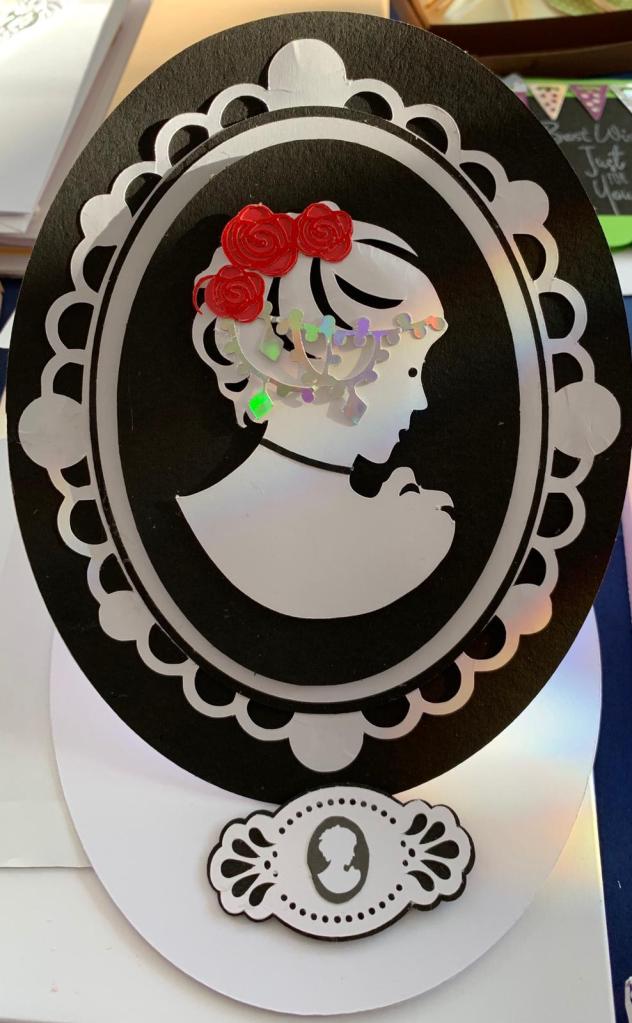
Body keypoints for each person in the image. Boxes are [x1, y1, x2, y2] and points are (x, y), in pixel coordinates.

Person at [179, 202, 455, 619]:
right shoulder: (410, 532)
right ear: (313, 360)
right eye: (411, 369)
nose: (421, 400)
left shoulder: (403, 525)